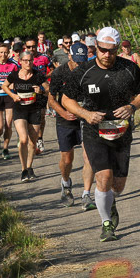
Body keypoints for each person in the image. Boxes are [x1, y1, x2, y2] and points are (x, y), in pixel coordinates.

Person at [62, 27, 140, 242]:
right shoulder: (84, 71)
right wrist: (85, 114)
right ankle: (106, 224)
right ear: (96, 48)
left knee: (118, 185)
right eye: (102, 50)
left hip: (121, 131)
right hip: (94, 130)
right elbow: (66, 100)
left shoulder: (129, 68)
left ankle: (111, 202)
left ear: (117, 49)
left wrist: (132, 106)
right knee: (104, 177)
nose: (106, 55)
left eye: (111, 51)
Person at [48, 42, 96, 208]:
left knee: (89, 155)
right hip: (65, 119)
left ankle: (86, 194)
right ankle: (66, 182)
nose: (79, 64)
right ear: (69, 56)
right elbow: (51, 99)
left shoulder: (90, 70)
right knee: (67, 158)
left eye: (82, 61)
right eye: (76, 60)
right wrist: (62, 112)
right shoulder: (59, 73)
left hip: (85, 118)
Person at [3, 51, 49, 182]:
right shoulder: (14, 75)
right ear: (20, 62)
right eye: (25, 60)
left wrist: (41, 91)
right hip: (20, 110)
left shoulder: (37, 75)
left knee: (32, 142)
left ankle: (29, 167)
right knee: (23, 139)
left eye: (30, 60)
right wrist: (13, 96)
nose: (28, 63)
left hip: (34, 110)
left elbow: (48, 90)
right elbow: (4, 86)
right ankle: (23, 170)